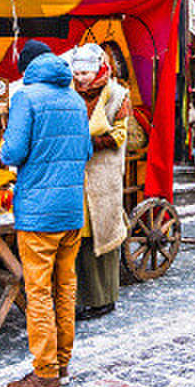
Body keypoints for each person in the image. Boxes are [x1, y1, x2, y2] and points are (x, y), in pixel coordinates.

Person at [0, 40, 92, 387]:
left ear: (25, 68)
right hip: (71, 209)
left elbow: (14, 151)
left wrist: (5, 147)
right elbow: (84, 150)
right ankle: (63, 364)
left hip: (38, 211)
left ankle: (45, 372)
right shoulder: (73, 98)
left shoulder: (25, 96)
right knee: (65, 288)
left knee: (38, 292)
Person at [70, 43, 130, 321]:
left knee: (103, 235)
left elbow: (119, 135)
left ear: (97, 70)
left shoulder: (118, 95)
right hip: (76, 176)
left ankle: (104, 298)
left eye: (85, 72)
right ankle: (81, 297)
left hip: (103, 175)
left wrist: (87, 141)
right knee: (80, 238)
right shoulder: (69, 94)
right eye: (77, 72)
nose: (80, 77)